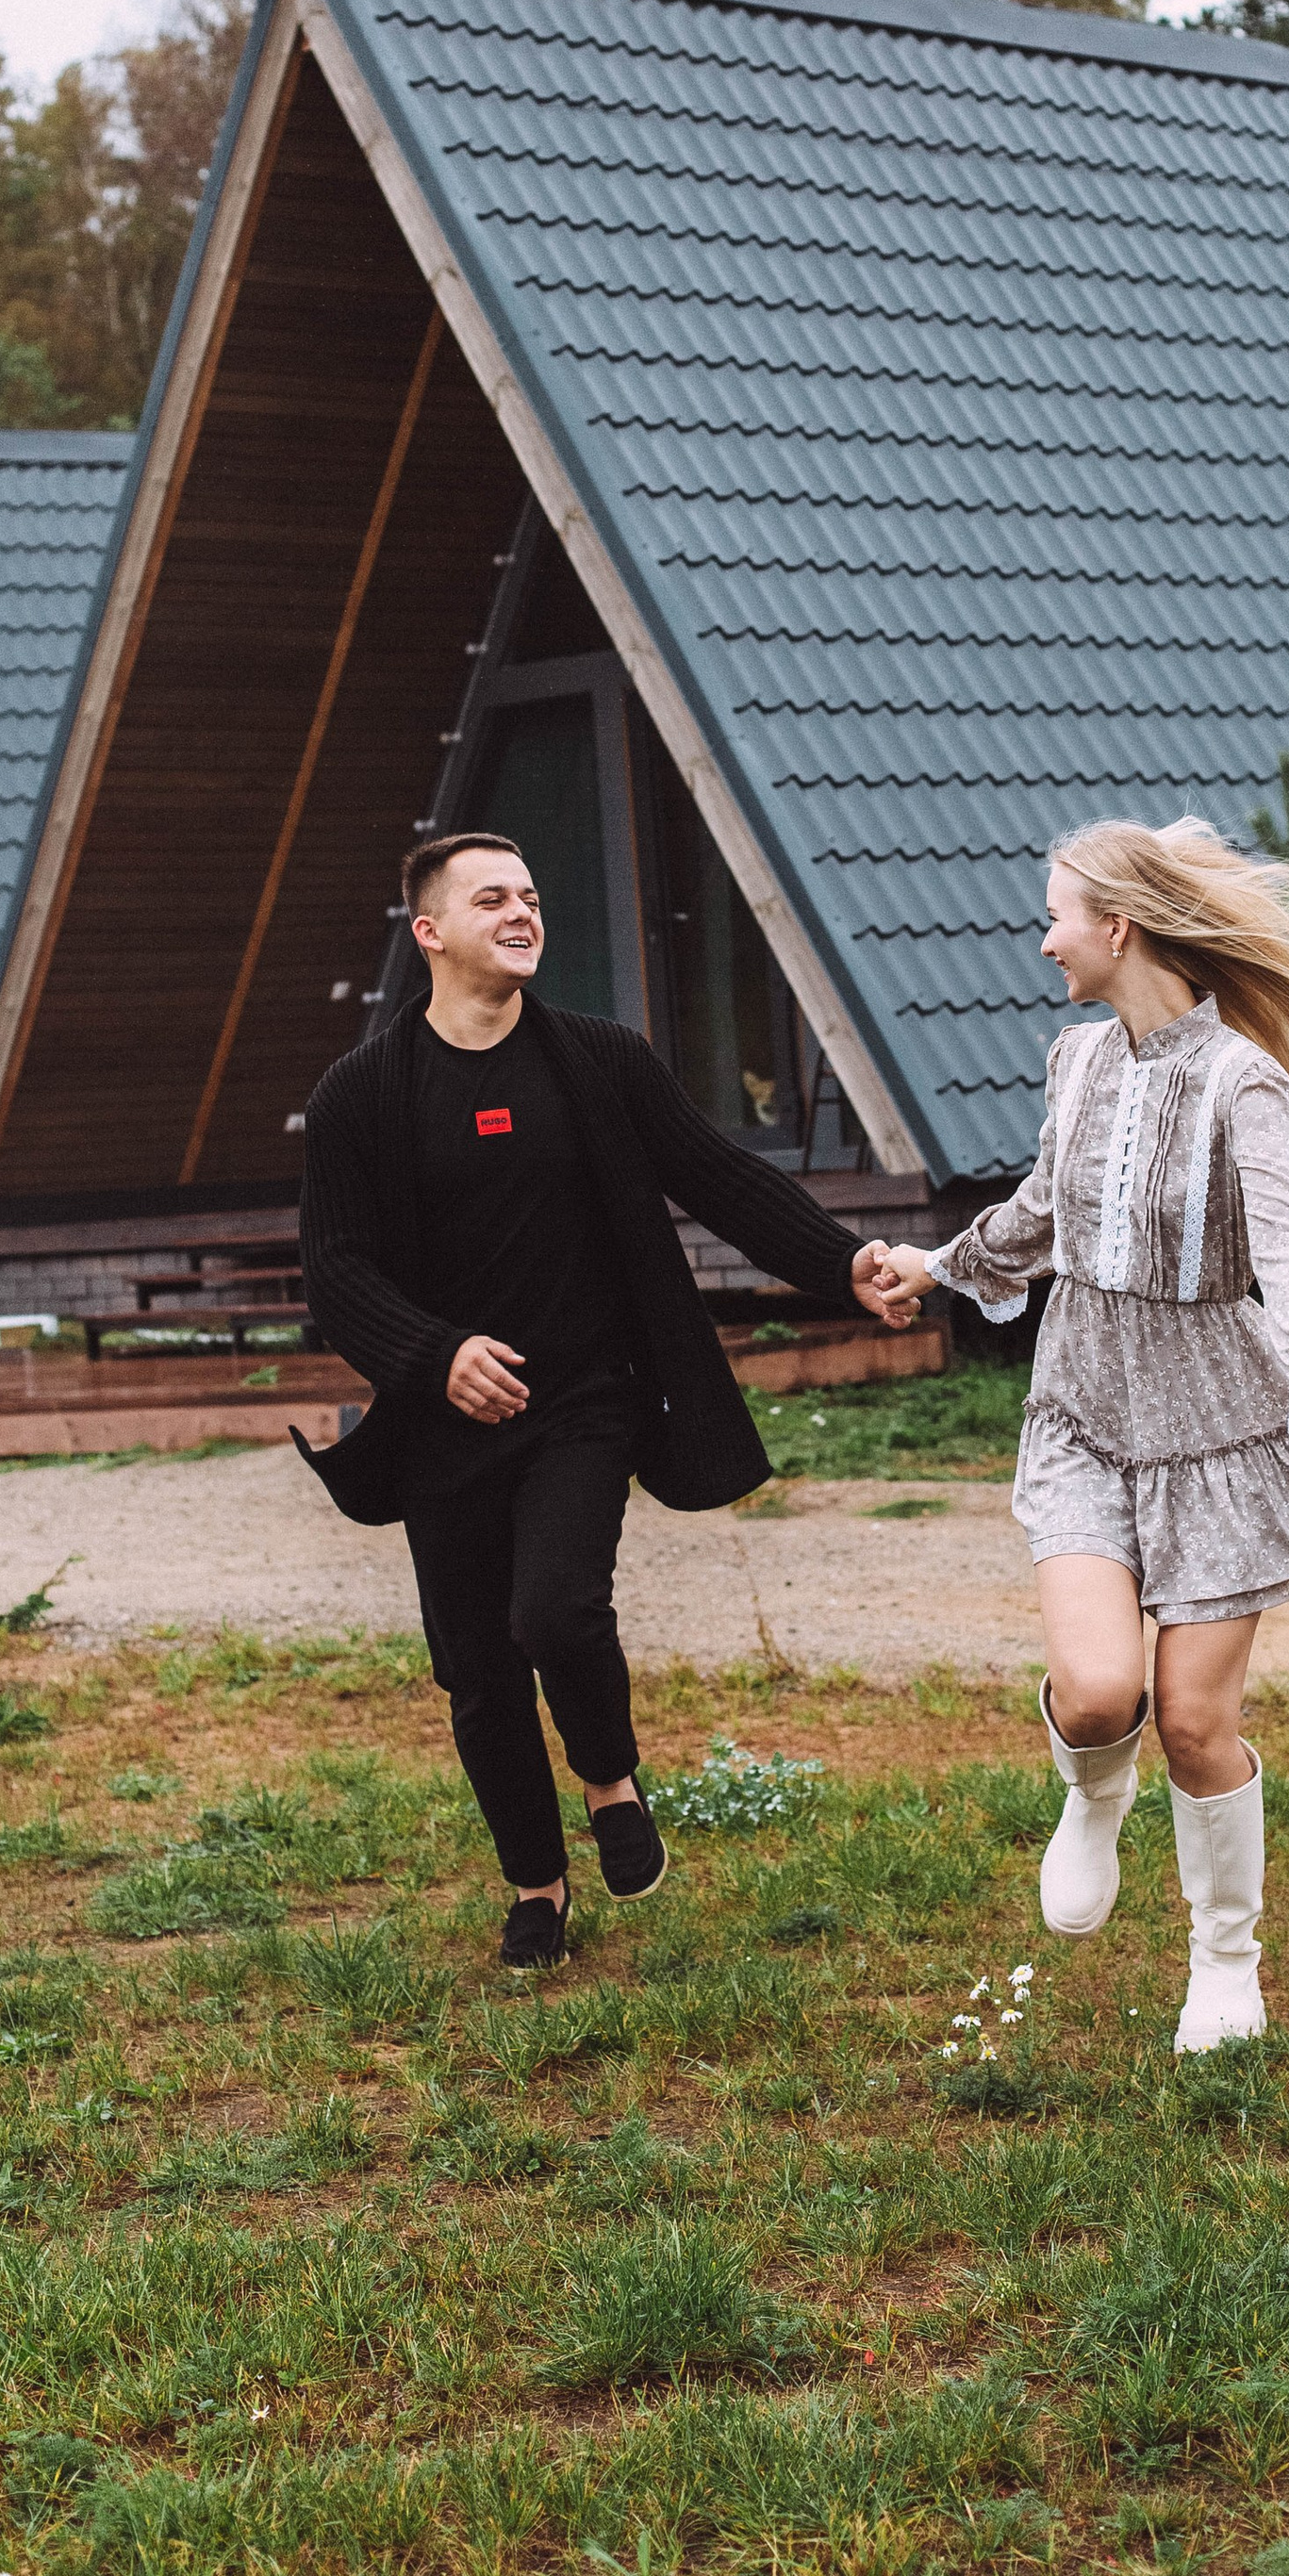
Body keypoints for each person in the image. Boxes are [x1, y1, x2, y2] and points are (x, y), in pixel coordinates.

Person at [295, 830, 917, 1971]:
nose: (523, 913)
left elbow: (720, 1177)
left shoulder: (598, 1061)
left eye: (531, 895)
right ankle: (537, 1889)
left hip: (586, 1398)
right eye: (492, 900)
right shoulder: (361, 1096)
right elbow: (336, 1270)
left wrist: (842, 1265)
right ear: (430, 932)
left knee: (556, 1613)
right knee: (478, 1672)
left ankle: (610, 1778)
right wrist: (434, 1357)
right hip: (444, 1426)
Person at [873, 816, 1289, 2055]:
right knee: (1096, 1696)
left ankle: (1225, 1963)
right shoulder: (1073, 1062)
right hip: (1080, 1407)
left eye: (1057, 916)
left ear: (1117, 928)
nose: (1044, 941)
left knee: (1191, 1717)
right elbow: (1042, 1214)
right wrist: (936, 1263)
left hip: (1219, 1426)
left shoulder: (1239, 1077)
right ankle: (1093, 1790)